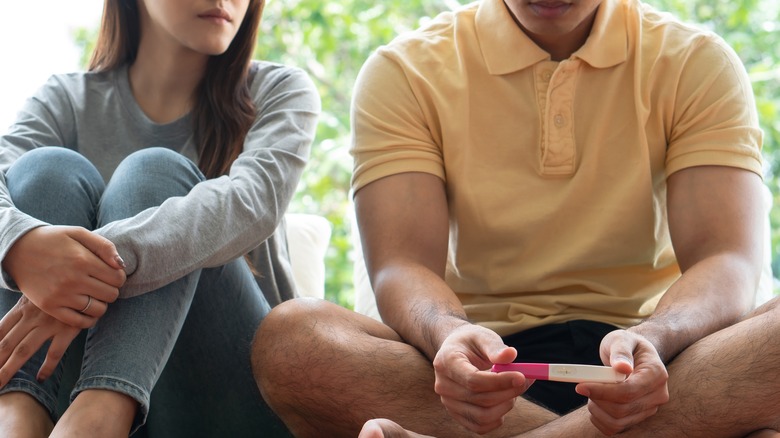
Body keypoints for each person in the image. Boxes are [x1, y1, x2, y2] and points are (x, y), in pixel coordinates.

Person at [251, 0, 780, 436]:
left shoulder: (697, 61)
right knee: (294, 340)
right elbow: (401, 264)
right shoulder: (404, 70)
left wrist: (658, 336)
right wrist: (449, 336)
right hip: (484, 367)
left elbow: (726, 256)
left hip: (659, 363)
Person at [0, 0, 318, 436]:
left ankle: (100, 415)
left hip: (229, 396)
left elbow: (251, 203)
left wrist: (79, 271)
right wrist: (21, 245)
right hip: (64, 394)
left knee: (153, 173)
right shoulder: (66, 98)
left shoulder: (278, 90)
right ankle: (18, 414)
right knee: (45, 171)